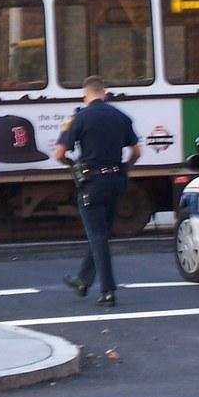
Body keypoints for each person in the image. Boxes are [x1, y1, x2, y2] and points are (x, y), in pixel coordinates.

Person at [53, 75, 141, 307]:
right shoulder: (121, 117)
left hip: (91, 183)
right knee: (101, 233)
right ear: (105, 92)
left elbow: (60, 153)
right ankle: (83, 280)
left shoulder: (79, 118)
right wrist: (124, 169)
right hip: (116, 181)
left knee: (98, 236)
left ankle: (108, 291)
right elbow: (136, 152)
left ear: (85, 94)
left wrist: (73, 166)